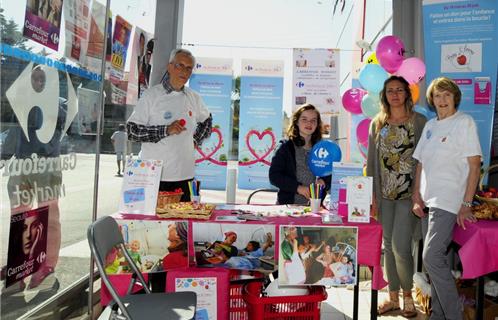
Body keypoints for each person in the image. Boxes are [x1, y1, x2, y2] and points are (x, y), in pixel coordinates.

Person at [412, 77, 481, 320]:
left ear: (455, 98)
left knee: (430, 257)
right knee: (435, 262)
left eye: (447, 95)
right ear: (431, 100)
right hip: (427, 202)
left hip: (448, 201)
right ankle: (438, 315)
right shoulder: (430, 126)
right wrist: (416, 196)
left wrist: (466, 204)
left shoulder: (464, 123)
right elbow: (420, 163)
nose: (442, 100)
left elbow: (475, 166)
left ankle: (453, 315)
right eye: (437, 95)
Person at [365, 75, 427, 318]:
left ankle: (408, 295)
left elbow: (424, 159)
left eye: (399, 90)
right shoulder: (377, 124)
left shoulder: (419, 121)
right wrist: (372, 196)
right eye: (390, 90)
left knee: (401, 248)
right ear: (384, 95)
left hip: (409, 196)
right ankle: (392, 298)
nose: (395, 94)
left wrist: (418, 194)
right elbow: (371, 162)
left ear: (406, 94)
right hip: (384, 196)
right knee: (387, 247)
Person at [127, 48, 212, 202]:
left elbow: (207, 120)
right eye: (180, 65)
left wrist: (195, 141)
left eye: (189, 68)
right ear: (170, 67)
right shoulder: (151, 95)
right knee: (152, 223)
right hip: (155, 176)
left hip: (186, 177)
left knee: (183, 225)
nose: (184, 71)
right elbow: (132, 131)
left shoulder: (194, 97)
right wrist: (165, 130)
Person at [269, 104, 331, 205]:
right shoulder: (285, 148)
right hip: (288, 207)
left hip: (316, 208)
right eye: (304, 119)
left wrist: (324, 181)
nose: (309, 123)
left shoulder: (323, 149)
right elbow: (274, 176)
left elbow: (330, 173)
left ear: (317, 124)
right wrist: (298, 188)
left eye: (313, 120)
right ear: (296, 122)